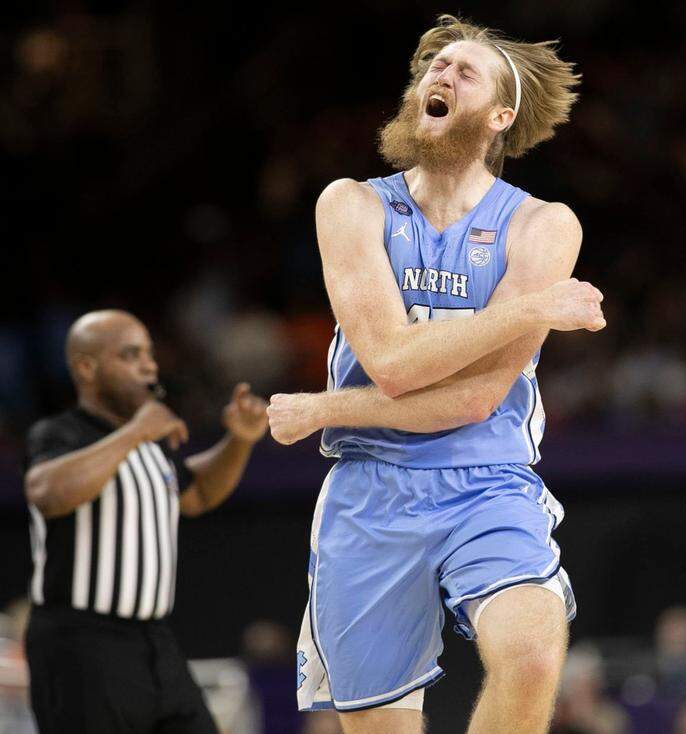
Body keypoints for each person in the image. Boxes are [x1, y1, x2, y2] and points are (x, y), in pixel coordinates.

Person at [264, 15, 604, 734]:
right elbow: (389, 362)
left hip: (488, 477)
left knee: (534, 653)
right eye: (434, 67)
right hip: (370, 493)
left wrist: (324, 409)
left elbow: (480, 398)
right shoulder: (351, 204)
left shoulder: (542, 224)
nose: (440, 77)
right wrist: (532, 308)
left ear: (501, 116)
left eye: (464, 71)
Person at [22, 309, 269, 733]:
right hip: (80, 644)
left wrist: (239, 441)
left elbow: (197, 494)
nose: (149, 365)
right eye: (131, 355)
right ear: (87, 367)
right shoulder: (61, 432)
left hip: (154, 640)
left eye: (150, 353)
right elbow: (46, 493)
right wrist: (135, 432)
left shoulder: (151, 442)